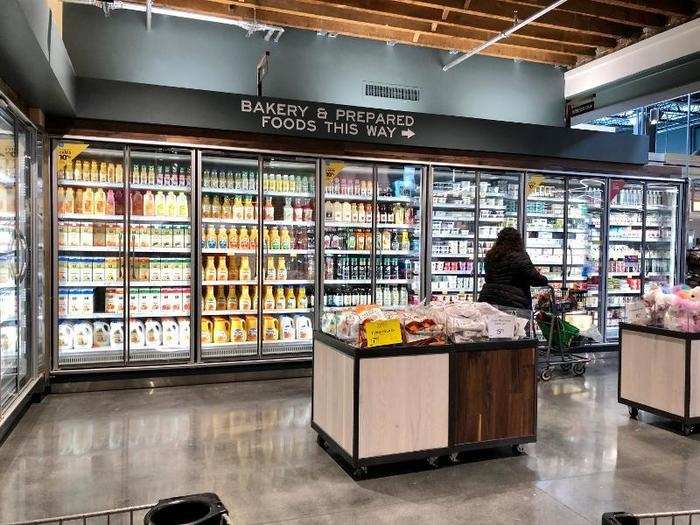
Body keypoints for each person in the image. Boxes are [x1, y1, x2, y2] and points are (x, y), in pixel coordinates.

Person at [478, 227, 548, 310]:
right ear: (518, 241)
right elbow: (535, 279)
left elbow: (488, 278)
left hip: (489, 300)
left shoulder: (490, 256)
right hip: (514, 302)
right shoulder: (520, 256)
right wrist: (544, 280)